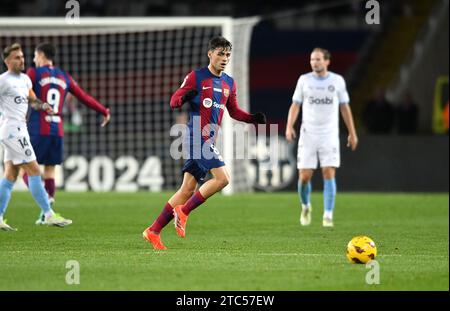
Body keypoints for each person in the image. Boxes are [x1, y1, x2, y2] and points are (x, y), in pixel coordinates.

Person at [142, 36, 267, 250]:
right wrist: (184, 97)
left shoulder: (229, 82)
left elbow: (234, 111)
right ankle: (183, 211)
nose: (225, 58)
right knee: (223, 178)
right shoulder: (196, 77)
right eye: (220, 53)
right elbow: (174, 101)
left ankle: (153, 231)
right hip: (195, 137)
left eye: (227, 54)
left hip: (208, 139)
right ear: (210, 54)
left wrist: (252, 118)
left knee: (187, 190)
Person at [23, 42, 110, 224]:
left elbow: (21, 93)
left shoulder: (34, 73)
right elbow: (84, 97)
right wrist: (103, 110)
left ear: (40, 55)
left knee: (25, 168)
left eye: (34, 56)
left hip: (38, 128)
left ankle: (46, 207)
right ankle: (47, 210)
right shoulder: (64, 76)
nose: (33, 60)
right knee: (50, 170)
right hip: (57, 130)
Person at [0, 43, 72, 231]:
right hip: (12, 130)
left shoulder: (25, 79)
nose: (22, 60)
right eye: (17, 57)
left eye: (23, 56)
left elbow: (33, 101)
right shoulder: (3, 81)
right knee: (34, 170)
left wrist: (44, 105)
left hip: (20, 129)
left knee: (10, 175)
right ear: (7, 61)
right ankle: (48, 214)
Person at [285, 47, 358, 228]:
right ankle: (305, 206)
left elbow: (344, 107)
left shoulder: (337, 81)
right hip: (308, 134)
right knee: (304, 176)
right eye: (312, 59)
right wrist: (289, 126)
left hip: (329, 135)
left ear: (327, 61)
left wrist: (352, 132)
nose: (314, 63)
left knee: (328, 172)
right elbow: (295, 105)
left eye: (318, 59)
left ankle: (327, 215)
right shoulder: (304, 80)